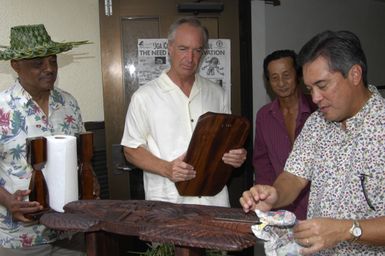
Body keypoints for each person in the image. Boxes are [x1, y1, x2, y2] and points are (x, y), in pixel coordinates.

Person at [240, 30, 385, 255]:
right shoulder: (317, 123)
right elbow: (294, 176)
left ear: (355, 75)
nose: (315, 98)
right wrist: (275, 194)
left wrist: (349, 230)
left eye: (323, 85)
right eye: (310, 89)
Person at [121, 17, 247, 207]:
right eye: (183, 49)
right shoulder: (144, 97)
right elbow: (130, 150)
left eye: (197, 50)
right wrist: (167, 168)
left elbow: (227, 143)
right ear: (170, 48)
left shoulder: (217, 94)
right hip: (167, 200)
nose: (190, 58)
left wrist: (236, 155)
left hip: (214, 200)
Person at [0, 24, 89, 255]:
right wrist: (8, 200)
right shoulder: (2, 108)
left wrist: (90, 179)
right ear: (15, 65)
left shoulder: (69, 103)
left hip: (70, 231)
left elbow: (82, 155)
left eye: (53, 61)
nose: (49, 69)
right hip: (20, 237)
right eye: (38, 63)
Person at [253, 50, 317, 220]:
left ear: (298, 75)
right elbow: (262, 163)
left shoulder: (318, 109)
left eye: (286, 75)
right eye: (274, 77)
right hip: (280, 207)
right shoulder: (264, 116)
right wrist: (266, 199)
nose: (281, 83)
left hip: (318, 207)